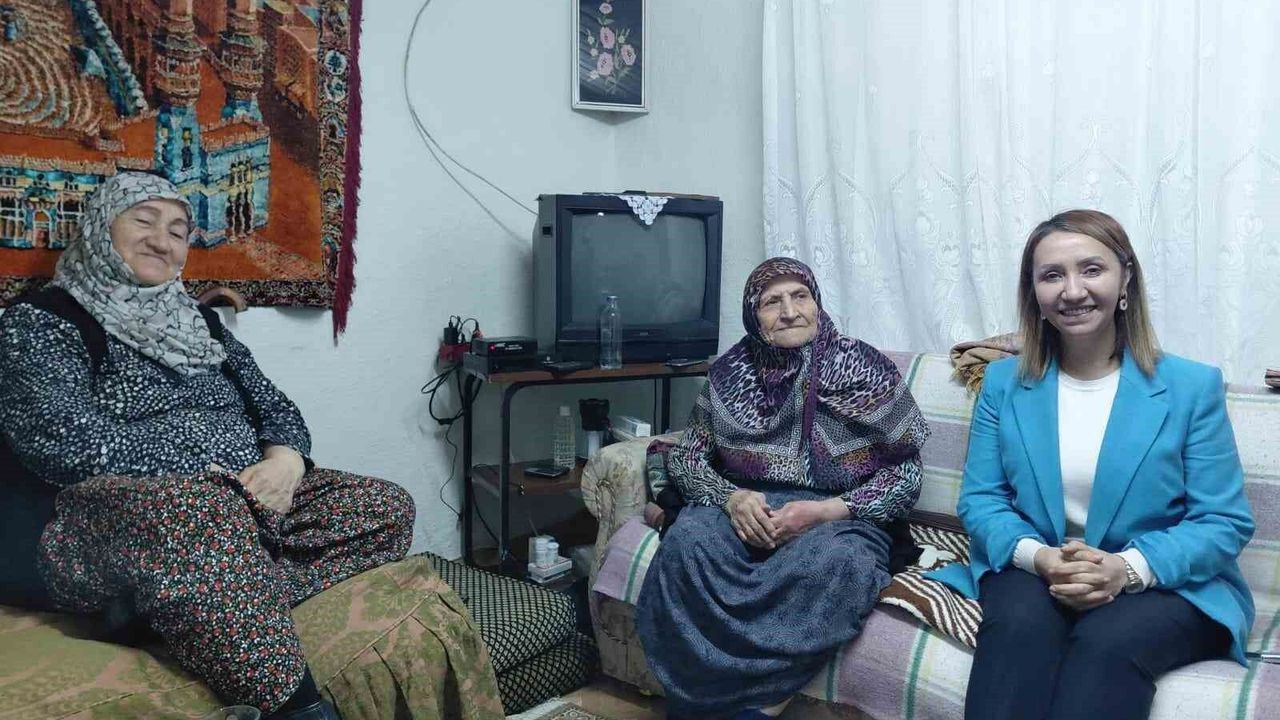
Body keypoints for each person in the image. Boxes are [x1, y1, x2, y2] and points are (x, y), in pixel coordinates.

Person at [0, 173, 416, 720]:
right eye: (143, 221)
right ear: (100, 229)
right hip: (102, 523)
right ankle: (299, 707)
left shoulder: (199, 323)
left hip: (233, 504)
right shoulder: (42, 321)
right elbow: (67, 444)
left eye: (177, 231)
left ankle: (191, 597)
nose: (162, 241)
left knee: (384, 505)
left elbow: (275, 407)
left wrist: (286, 461)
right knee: (200, 514)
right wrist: (216, 475)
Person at [928, 209, 1255, 720]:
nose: (1073, 290)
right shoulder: (1002, 383)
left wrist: (1125, 569)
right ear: (1034, 292)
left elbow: (1223, 521)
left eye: (1092, 269)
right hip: (1040, 563)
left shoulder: (1193, 387)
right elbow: (982, 500)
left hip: (1163, 578)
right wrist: (1041, 558)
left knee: (1106, 640)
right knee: (1018, 627)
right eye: (1052, 275)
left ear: (1125, 278)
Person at [635, 257, 931, 720]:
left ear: (817, 302)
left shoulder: (865, 367)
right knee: (687, 542)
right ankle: (697, 698)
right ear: (753, 316)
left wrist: (828, 510)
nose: (790, 312)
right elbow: (688, 457)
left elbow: (907, 475)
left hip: (837, 514)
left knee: (838, 562)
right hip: (742, 504)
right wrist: (731, 498)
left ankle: (759, 705)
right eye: (772, 302)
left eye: (800, 296)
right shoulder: (728, 374)